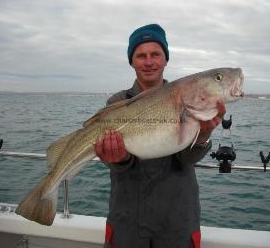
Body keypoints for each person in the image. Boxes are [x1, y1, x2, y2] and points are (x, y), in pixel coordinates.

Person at [94, 24, 226, 248]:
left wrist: (203, 135)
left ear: (166, 59)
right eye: (141, 55)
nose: (148, 61)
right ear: (132, 61)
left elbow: (187, 159)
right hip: (128, 220)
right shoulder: (116, 103)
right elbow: (117, 164)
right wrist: (120, 159)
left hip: (177, 221)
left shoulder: (190, 100)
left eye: (155, 54)